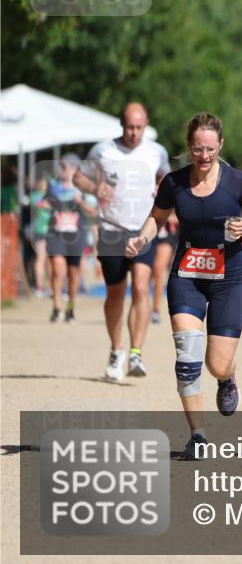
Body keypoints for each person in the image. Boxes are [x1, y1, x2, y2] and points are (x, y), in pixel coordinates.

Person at [125, 112, 242, 460]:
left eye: (209, 149)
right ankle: (198, 436)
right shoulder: (174, 183)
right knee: (187, 359)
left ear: (220, 145)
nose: (203, 156)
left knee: (216, 364)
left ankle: (228, 377)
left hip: (229, 280)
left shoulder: (236, 182)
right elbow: (156, 218)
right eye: (196, 149)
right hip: (187, 277)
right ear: (188, 148)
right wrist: (142, 239)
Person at [75, 103, 170, 381]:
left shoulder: (157, 151)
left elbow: (165, 178)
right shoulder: (102, 150)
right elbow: (78, 176)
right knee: (116, 293)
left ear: (146, 124)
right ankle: (116, 351)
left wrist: (164, 192)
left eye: (139, 127)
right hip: (112, 229)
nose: (134, 133)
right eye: (130, 127)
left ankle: (136, 352)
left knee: (141, 286)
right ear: (121, 124)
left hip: (143, 230)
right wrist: (95, 187)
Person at [45, 155, 96, 323]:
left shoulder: (82, 190)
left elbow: (93, 212)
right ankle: (57, 307)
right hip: (56, 234)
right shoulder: (52, 187)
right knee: (58, 269)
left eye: (66, 166)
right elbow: (41, 204)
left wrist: (81, 202)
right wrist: (46, 205)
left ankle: (71, 307)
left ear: (75, 170)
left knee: (73, 273)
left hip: (76, 235)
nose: (63, 170)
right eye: (61, 166)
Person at [151, 210, 179, 324]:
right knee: (149, 273)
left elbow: (183, 213)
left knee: (159, 269)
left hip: (167, 232)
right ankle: (144, 307)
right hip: (150, 231)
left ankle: (156, 309)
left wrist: (166, 217)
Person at [28, 178, 52, 298]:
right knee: (41, 258)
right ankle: (39, 286)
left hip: (51, 233)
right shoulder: (35, 196)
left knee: (49, 260)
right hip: (40, 232)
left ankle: (49, 287)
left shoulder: (51, 196)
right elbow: (38, 205)